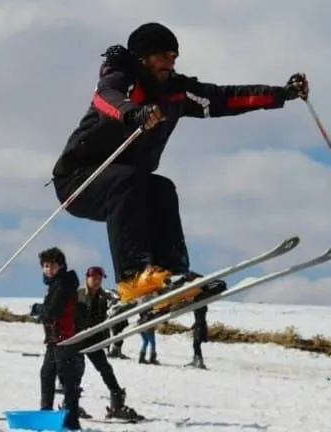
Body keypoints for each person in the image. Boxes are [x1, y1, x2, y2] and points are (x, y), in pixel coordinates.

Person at [50, 22, 309, 314]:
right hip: (78, 181)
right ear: (144, 57)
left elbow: (224, 98)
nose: (171, 61)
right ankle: (133, 278)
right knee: (130, 179)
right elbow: (105, 99)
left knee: (161, 188)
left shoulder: (175, 91)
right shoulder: (121, 79)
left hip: (127, 187)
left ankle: (173, 275)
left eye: (174, 56)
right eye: (164, 55)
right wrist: (134, 113)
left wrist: (281, 94)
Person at [77, 266, 142, 420]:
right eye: (94, 278)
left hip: (95, 339)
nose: (97, 281)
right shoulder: (77, 294)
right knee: (76, 372)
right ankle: (70, 404)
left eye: (100, 278)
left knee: (105, 369)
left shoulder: (104, 296)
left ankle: (117, 402)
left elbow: (117, 304)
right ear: (87, 278)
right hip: (78, 338)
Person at [37, 247, 84, 430]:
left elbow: (53, 311)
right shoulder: (57, 284)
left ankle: (72, 420)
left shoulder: (64, 284)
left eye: (52, 265)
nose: (48, 269)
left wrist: (39, 310)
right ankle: (46, 414)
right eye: (45, 266)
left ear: (61, 266)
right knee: (47, 375)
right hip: (54, 339)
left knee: (67, 380)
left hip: (64, 339)